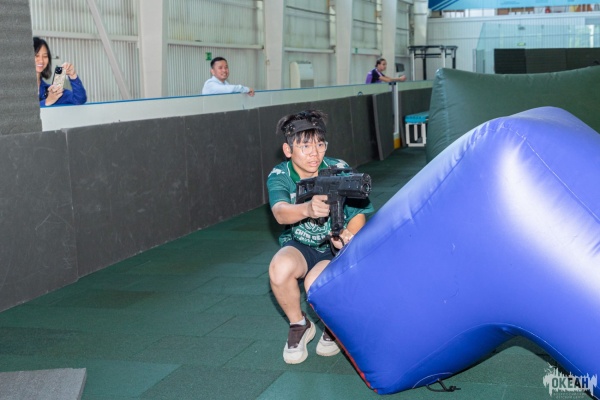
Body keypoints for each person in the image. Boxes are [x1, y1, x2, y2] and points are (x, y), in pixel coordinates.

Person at [267, 109, 374, 364]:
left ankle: (332, 327)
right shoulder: (280, 175)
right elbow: (280, 212)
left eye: (320, 144)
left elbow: (358, 214)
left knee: (315, 283)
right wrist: (307, 209)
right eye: (305, 146)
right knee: (279, 268)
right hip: (300, 244)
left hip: (332, 250)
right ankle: (299, 324)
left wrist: (347, 237)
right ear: (288, 150)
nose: (315, 153)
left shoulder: (340, 169)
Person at [34, 37, 87, 107]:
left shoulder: (51, 92)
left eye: (45, 56)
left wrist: (73, 76)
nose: (41, 60)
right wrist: (46, 102)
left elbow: (79, 99)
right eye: (36, 55)